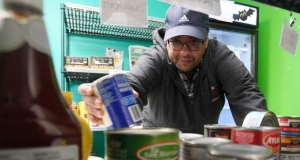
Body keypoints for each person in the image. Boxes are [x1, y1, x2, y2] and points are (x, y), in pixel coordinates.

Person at [78, 5, 267, 134]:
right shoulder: (156, 56)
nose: (184, 52)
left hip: (201, 150)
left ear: (206, 40)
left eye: (193, 42)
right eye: (176, 42)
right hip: (156, 149)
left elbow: (245, 93)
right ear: (166, 39)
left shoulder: (219, 56)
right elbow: (135, 83)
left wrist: (264, 135)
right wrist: (107, 102)